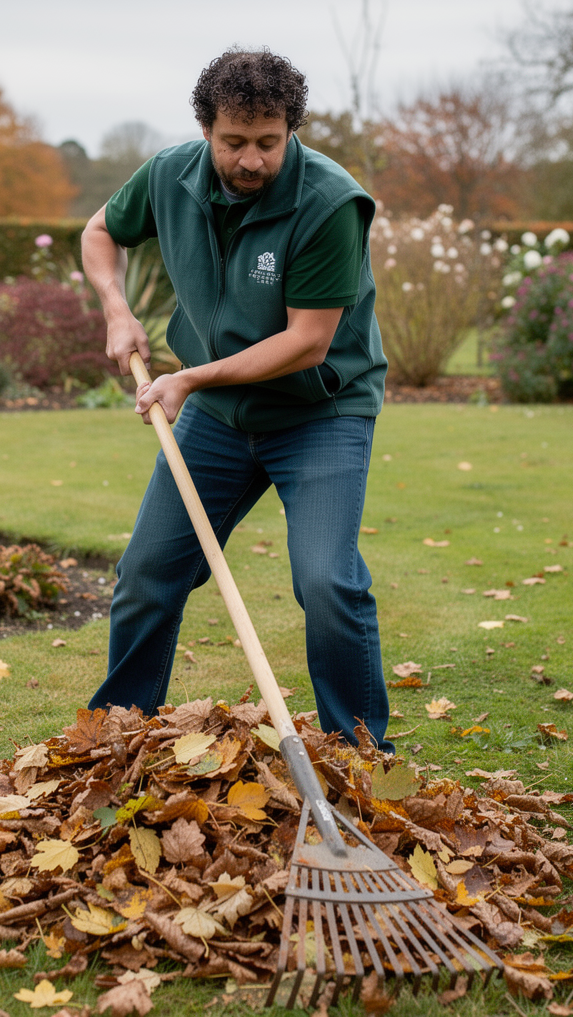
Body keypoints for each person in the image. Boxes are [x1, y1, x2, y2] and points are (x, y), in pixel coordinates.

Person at [81, 47, 391, 749]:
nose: (251, 160)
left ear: (290, 132)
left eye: (267, 143)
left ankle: (361, 754)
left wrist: (190, 378)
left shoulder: (329, 203)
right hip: (222, 420)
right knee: (147, 574)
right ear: (205, 130)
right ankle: (122, 735)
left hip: (318, 413)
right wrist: (116, 309)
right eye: (234, 142)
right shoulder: (167, 176)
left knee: (327, 584)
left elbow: (308, 342)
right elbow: (100, 231)